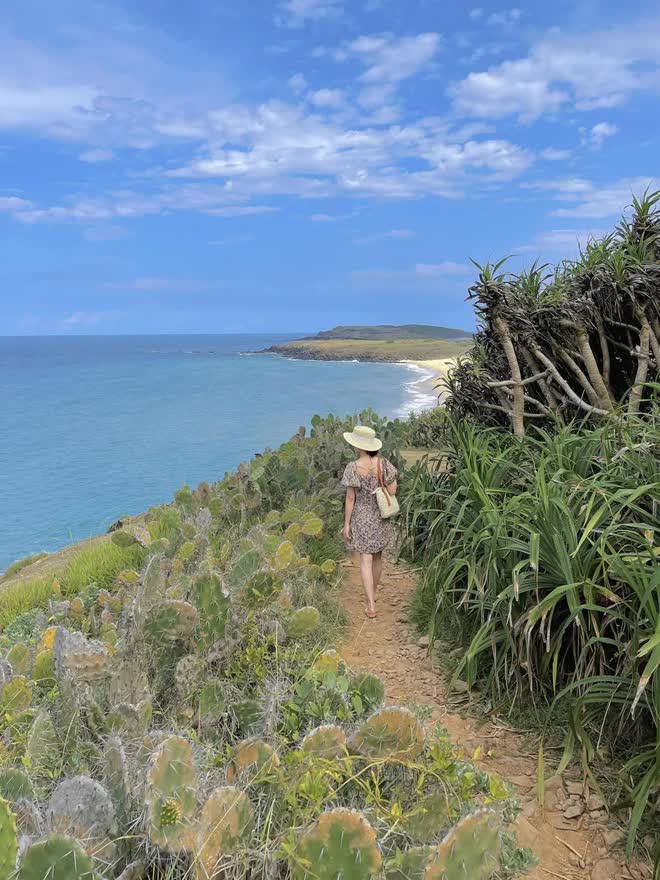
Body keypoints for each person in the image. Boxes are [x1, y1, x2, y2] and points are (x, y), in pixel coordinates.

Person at [341, 425, 398, 619]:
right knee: (378, 558)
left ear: (359, 446)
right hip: (379, 517)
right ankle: (373, 594)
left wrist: (347, 524)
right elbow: (392, 492)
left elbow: (350, 499)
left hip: (361, 517)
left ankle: (371, 604)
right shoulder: (384, 464)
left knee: (364, 560)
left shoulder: (352, 468)